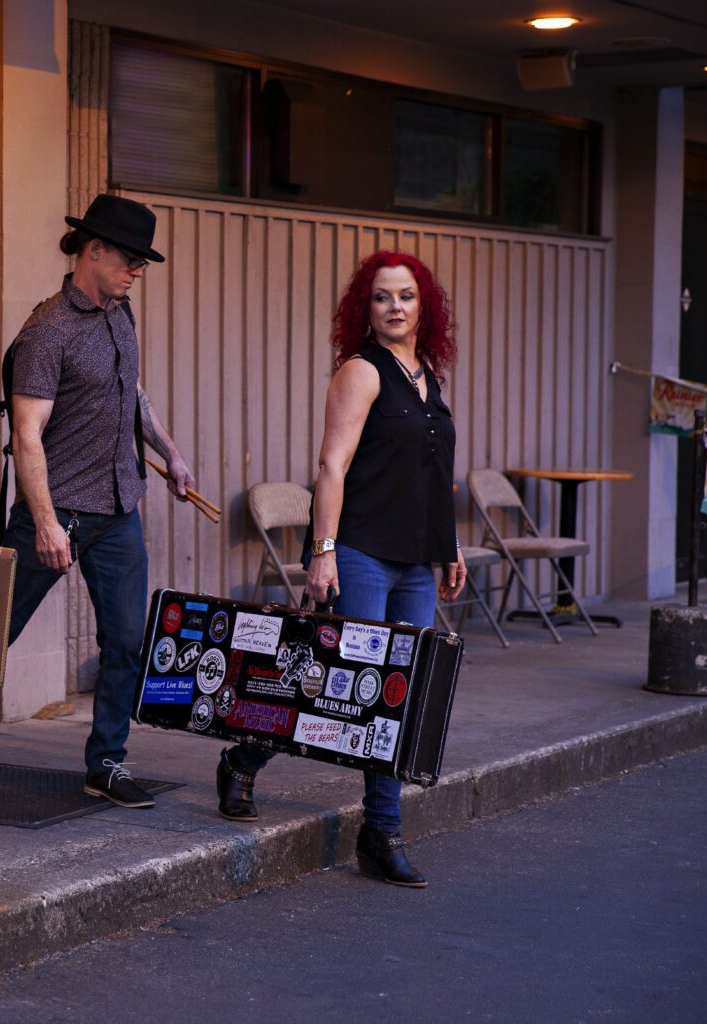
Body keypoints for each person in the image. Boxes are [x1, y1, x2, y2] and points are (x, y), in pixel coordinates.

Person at [0, 194, 197, 808]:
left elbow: (133, 392)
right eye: (131, 258)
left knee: (125, 642)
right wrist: (44, 523)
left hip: (119, 508)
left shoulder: (121, 314)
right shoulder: (48, 331)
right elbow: (27, 435)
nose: (138, 270)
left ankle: (107, 762)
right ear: (94, 250)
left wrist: (169, 451)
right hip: (57, 510)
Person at [215, 251, 466, 888]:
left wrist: (450, 546)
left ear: (423, 305)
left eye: (407, 296)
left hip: (413, 563)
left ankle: (380, 831)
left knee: (392, 695)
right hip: (359, 552)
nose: (396, 308)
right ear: (366, 306)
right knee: (340, 681)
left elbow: (434, 477)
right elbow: (332, 466)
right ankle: (245, 755)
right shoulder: (361, 371)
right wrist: (322, 550)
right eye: (382, 297)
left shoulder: (426, 375)